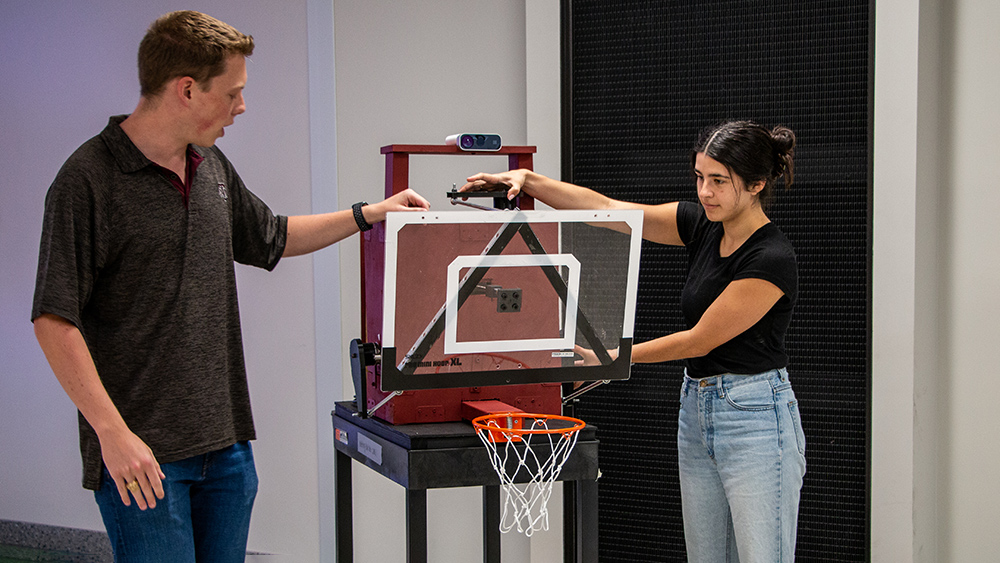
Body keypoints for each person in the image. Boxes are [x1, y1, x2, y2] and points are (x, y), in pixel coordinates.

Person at [31, 10, 429, 563]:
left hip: (227, 451)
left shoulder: (210, 164)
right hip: (144, 456)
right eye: (234, 93)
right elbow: (53, 318)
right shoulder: (88, 180)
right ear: (187, 90)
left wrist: (371, 214)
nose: (242, 107)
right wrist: (112, 435)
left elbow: (271, 236)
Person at [462, 120, 806, 562]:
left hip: (756, 416)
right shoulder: (701, 226)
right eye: (700, 177)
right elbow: (607, 209)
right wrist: (528, 180)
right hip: (697, 410)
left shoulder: (772, 257)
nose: (705, 192)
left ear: (757, 184)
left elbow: (701, 340)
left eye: (719, 181)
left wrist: (611, 358)